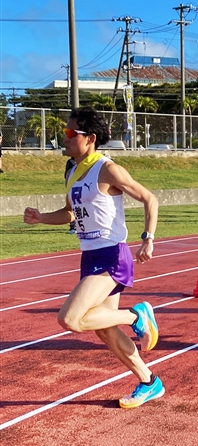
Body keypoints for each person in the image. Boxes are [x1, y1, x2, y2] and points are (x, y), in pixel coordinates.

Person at [23, 106, 163, 408]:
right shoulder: (73, 171)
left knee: (70, 318)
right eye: (66, 132)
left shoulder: (107, 168)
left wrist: (147, 239)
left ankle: (137, 316)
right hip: (89, 256)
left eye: (72, 132)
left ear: (91, 138)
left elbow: (149, 198)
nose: (66, 137)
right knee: (102, 328)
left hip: (113, 255)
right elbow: (71, 214)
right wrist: (40, 218)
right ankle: (149, 381)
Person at [65, 157, 78, 233]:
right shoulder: (71, 162)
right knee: (73, 208)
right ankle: (73, 226)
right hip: (73, 187)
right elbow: (67, 176)